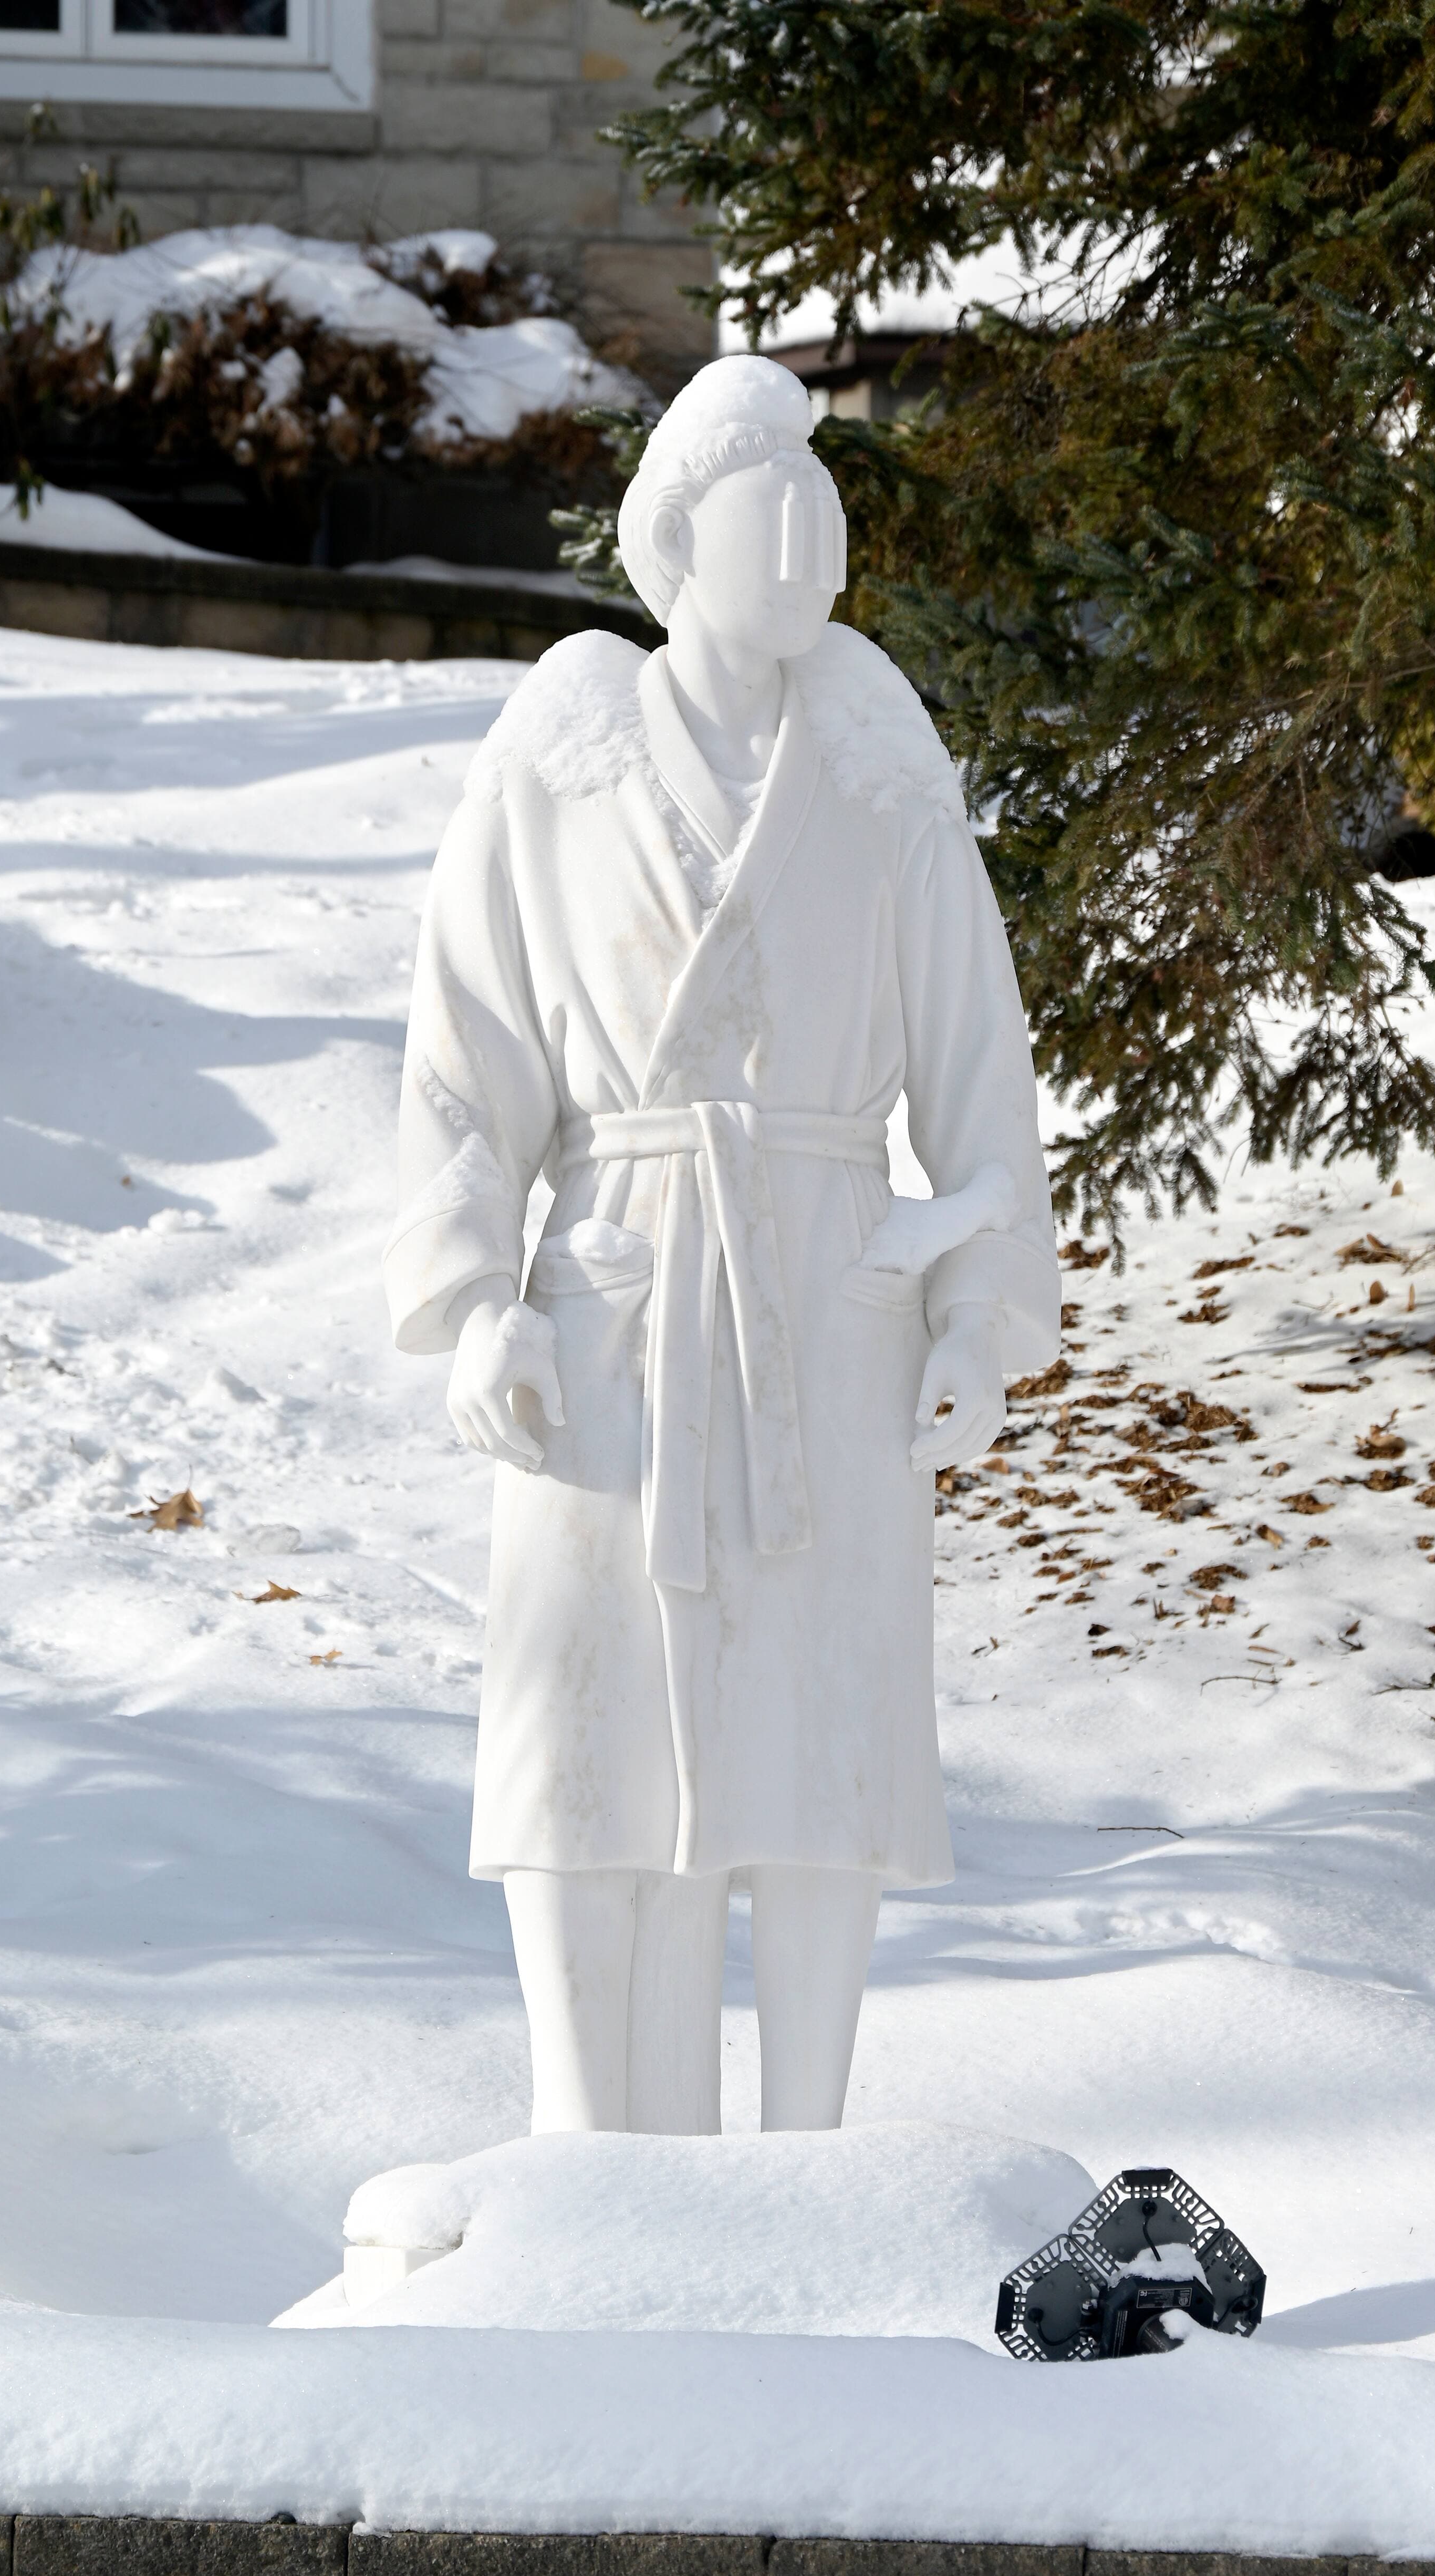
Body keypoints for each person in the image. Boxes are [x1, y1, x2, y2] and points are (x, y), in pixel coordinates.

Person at [385, 355, 1058, 2139]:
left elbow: (979, 1071)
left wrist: (977, 1310)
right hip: (616, 1294)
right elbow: (465, 1061)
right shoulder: (559, 767)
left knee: (824, 1742)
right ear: (683, 532)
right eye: (777, 495)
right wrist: (474, 1303)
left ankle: (809, 2156)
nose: (815, 529)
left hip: (831, 1296)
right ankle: (586, 2152)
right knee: (588, 1739)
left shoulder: (878, 767)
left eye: (827, 498)